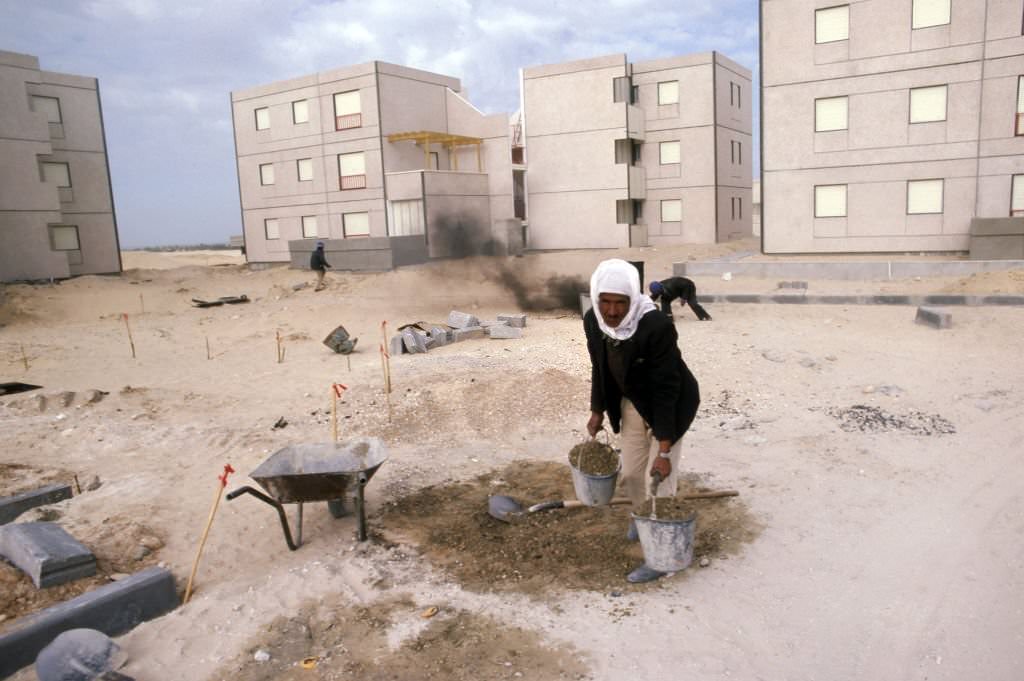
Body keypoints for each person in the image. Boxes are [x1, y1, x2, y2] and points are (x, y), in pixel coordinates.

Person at [584, 259, 701, 583]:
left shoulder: (656, 327)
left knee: (658, 480)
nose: (611, 311)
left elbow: (667, 388)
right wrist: (597, 410)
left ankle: (662, 557)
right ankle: (641, 516)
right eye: (605, 301)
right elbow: (599, 367)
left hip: (671, 403)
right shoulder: (593, 321)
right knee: (634, 474)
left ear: (632, 300)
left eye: (619, 302)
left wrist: (664, 450)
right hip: (633, 401)